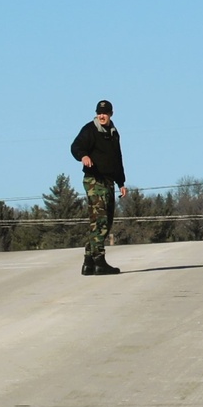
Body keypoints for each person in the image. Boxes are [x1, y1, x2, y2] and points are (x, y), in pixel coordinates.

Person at [70, 99, 127, 276]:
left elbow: (117, 158)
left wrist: (121, 182)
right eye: (99, 113)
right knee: (100, 221)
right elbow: (75, 146)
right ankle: (99, 262)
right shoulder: (90, 130)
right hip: (94, 180)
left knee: (105, 222)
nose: (102, 116)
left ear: (111, 114)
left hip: (109, 181)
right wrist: (83, 156)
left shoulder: (113, 133)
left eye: (105, 113)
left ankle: (88, 261)